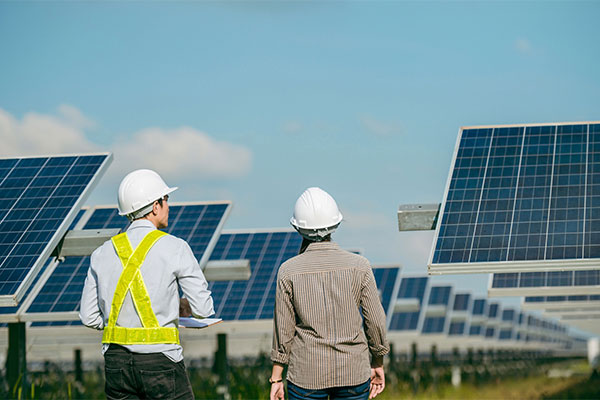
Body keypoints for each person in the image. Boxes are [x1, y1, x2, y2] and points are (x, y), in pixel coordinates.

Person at [79, 169, 214, 400]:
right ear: (155, 206)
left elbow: (89, 317)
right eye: (166, 199)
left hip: (116, 364)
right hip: (161, 362)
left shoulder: (101, 253)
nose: (168, 206)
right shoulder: (176, 247)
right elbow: (204, 311)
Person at [270, 187, 389, 400]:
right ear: (336, 224)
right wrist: (378, 360)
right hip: (353, 372)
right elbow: (376, 321)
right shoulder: (359, 266)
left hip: (306, 376)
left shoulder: (288, 271)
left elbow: (283, 329)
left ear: (297, 227)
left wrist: (276, 378)